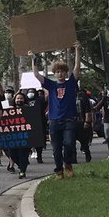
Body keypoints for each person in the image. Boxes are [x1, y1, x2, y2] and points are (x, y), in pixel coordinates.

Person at [31, 45, 82, 178]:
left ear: (66, 73)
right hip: (54, 120)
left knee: (69, 143)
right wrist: (33, 59)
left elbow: (77, 68)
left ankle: (68, 164)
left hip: (69, 119)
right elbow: (36, 74)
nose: (60, 74)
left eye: (62, 71)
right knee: (56, 148)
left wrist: (77, 50)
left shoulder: (71, 83)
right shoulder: (51, 85)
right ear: (54, 73)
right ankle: (59, 169)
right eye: (57, 72)